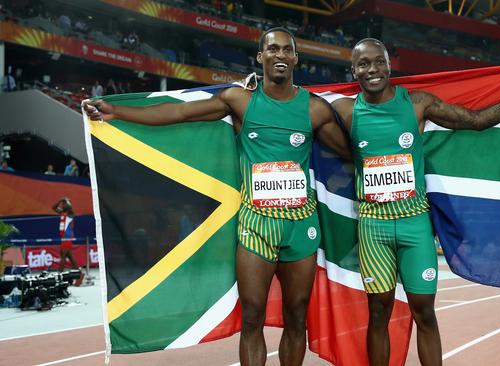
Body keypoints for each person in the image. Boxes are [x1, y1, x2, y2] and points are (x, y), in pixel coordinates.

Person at [83, 27, 350, 365]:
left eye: (286, 50)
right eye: (272, 49)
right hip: (257, 225)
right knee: (252, 319)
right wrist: (118, 113)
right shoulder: (241, 101)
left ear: (296, 58)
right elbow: (179, 113)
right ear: (260, 57)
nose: (279, 55)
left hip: (301, 226)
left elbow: (351, 153)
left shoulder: (314, 109)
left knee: (297, 317)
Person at [330, 38, 500, 366]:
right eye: (364, 64)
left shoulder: (417, 104)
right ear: (354, 71)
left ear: (389, 65)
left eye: (378, 61)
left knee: (425, 312)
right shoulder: (346, 109)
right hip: (373, 228)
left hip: (414, 225)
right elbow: (294, 109)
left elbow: (475, 121)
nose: (372, 69)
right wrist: (256, 90)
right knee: (378, 313)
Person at [52, 198, 79, 272]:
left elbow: (69, 207)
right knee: (70, 256)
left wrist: (67, 201)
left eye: (64, 205)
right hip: (64, 238)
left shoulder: (70, 214)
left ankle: (59, 274)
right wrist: (60, 201)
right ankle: (79, 273)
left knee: (63, 255)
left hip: (67, 237)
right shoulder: (62, 213)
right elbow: (53, 207)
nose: (62, 206)